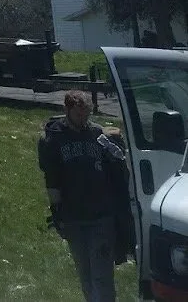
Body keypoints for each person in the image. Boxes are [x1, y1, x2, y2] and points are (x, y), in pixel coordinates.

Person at [38, 90, 129, 302]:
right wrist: (57, 211)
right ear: (66, 110)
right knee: (86, 275)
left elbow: (118, 169)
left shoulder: (98, 135)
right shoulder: (54, 139)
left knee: (102, 277)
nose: (83, 120)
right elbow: (52, 179)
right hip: (73, 218)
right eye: (78, 115)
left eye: (86, 114)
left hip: (101, 217)